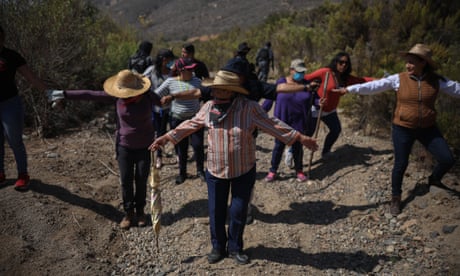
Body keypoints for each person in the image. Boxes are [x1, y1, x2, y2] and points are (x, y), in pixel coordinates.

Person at [149, 70, 318, 265]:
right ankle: (218, 247)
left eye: (220, 89)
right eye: (214, 89)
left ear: (231, 91)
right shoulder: (209, 107)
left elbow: (273, 124)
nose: (214, 92)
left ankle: (236, 247)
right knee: (216, 211)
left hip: (243, 170)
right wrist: (167, 137)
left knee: (238, 212)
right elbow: (191, 124)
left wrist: (300, 138)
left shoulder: (249, 108)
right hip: (215, 169)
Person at [333, 43, 460, 215]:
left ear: (423, 62)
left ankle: (434, 179)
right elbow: (374, 86)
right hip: (402, 128)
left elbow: (456, 89)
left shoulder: (436, 80)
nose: (407, 65)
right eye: (407, 62)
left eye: (411, 62)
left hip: (428, 128)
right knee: (401, 163)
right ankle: (396, 198)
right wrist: (348, 90)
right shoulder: (398, 79)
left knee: (447, 159)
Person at [47, 70, 161, 229]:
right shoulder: (117, 98)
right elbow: (89, 94)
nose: (126, 96)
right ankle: (128, 213)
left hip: (145, 146)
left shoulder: (148, 96)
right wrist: (63, 94)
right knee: (126, 180)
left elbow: (162, 102)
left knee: (141, 179)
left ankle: (141, 211)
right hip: (124, 146)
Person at [0, 25, 48, 191]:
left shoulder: (11, 56)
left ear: (3, 38)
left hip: (9, 104)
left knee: (15, 141)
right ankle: (0, 174)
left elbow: (30, 77)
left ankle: (23, 175)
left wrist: (49, 93)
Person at [304, 52, 374, 158]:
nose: (343, 65)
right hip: (317, 107)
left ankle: (326, 152)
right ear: (336, 62)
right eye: (341, 62)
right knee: (308, 134)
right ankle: (291, 151)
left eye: (346, 63)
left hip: (330, 110)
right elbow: (306, 78)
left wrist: (382, 80)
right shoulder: (325, 72)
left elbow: (362, 80)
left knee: (335, 130)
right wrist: (305, 87)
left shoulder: (346, 78)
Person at [261, 59, 317, 182]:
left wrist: (320, 102)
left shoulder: (309, 85)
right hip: (282, 121)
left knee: (297, 147)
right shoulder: (281, 82)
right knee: (278, 147)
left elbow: (315, 100)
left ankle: (299, 171)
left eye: (302, 72)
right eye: (298, 72)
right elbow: (270, 99)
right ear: (291, 70)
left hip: (299, 121)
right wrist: (260, 112)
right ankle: (273, 171)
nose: (300, 74)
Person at [154, 57, 205, 184]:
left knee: (198, 146)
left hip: (195, 119)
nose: (192, 71)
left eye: (193, 68)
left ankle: (200, 170)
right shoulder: (170, 82)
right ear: (181, 70)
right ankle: (182, 173)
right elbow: (155, 95)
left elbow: (203, 95)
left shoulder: (198, 81)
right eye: (189, 69)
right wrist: (159, 103)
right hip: (177, 120)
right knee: (181, 148)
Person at [143, 48, 175, 169]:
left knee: (173, 130)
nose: (172, 62)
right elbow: (142, 82)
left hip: (172, 107)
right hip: (156, 109)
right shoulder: (151, 71)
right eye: (170, 60)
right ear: (163, 60)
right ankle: (159, 156)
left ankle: (177, 152)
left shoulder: (173, 72)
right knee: (159, 132)